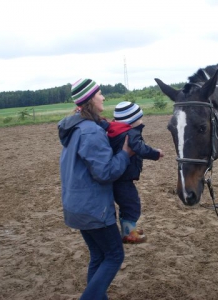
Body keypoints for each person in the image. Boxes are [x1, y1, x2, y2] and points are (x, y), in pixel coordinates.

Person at [58, 78, 134, 300]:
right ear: (90, 99)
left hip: (76, 207)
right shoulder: (90, 132)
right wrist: (125, 155)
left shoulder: (76, 128)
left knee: (99, 256)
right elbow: (105, 172)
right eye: (100, 93)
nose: (103, 97)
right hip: (94, 210)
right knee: (114, 256)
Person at [107, 101, 164, 243]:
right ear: (132, 121)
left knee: (126, 204)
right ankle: (128, 233)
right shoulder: (130, 133)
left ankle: (128, 228)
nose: (142, 121)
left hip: (118, 177)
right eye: (140, 118)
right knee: (132, 204)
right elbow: (140, 148)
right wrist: (155, 153)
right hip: (124, 179)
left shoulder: (116, 131)